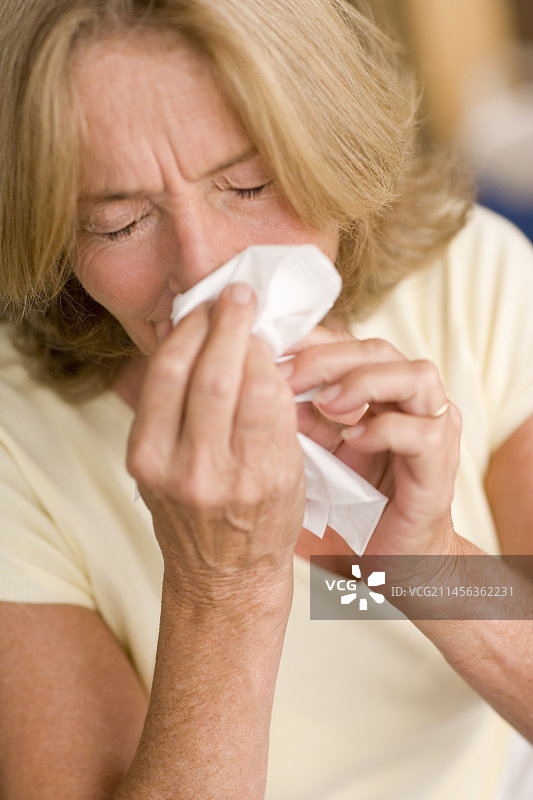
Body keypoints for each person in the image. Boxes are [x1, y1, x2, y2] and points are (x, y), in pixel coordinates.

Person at [1, 1, 533, 798]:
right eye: (117, 223)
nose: (205, 270)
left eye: (249, 185)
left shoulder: (470, 284)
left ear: (330, 150)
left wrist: (421, 565)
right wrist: (223, 590)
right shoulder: (18, 442)